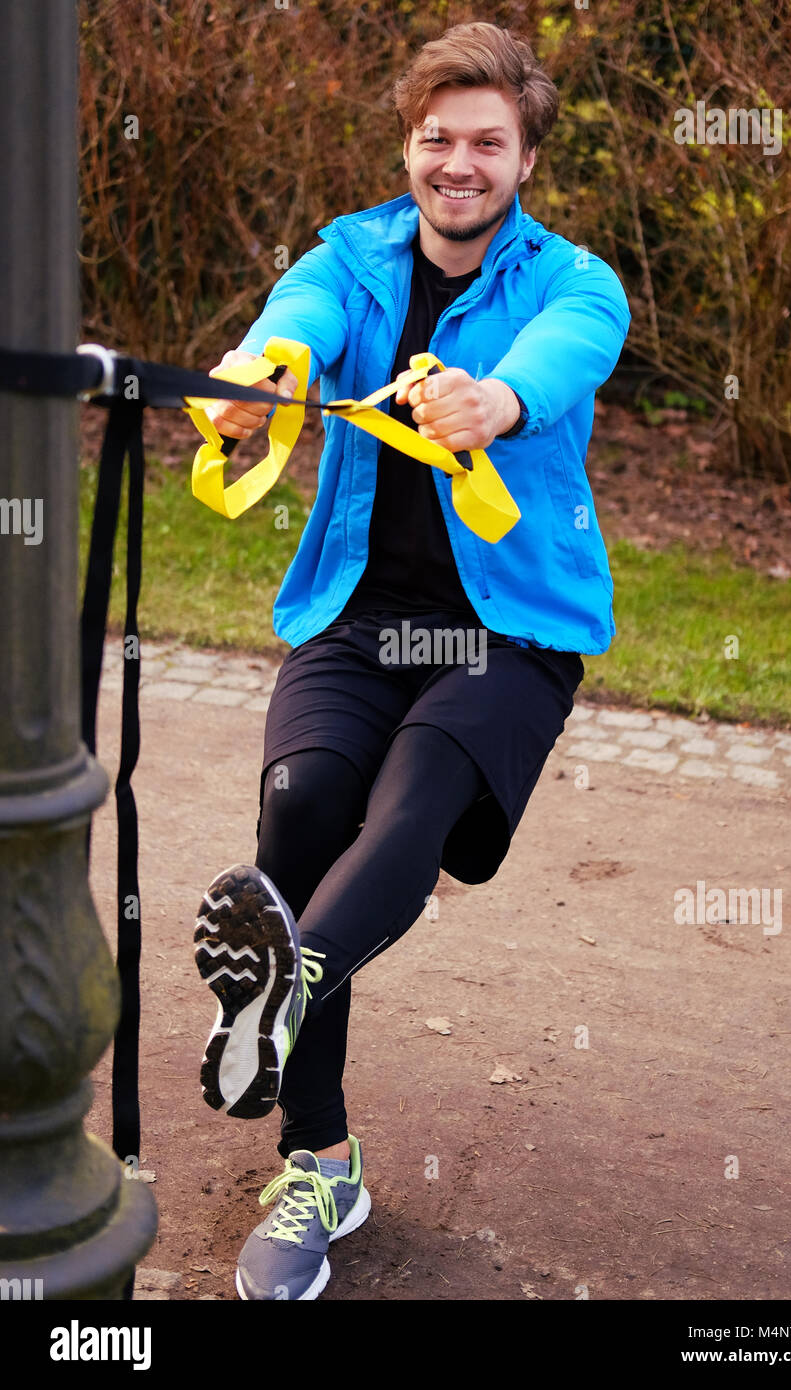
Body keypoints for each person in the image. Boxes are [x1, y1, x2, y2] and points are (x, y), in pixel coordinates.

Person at [193, 19, 630, 1301]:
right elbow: (298, 317)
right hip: (358, 618)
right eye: (436, 138)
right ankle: (319, 1160)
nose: (457, 162)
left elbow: (549, 369)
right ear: (408, 143)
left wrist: (487, 401)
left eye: (485, 142)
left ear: (525, 157)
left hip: (506, 633)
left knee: (414, 792)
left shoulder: (575, 283)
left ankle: (283, 991)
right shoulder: (352, 252)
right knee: (301, 809)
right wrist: (258, 372)